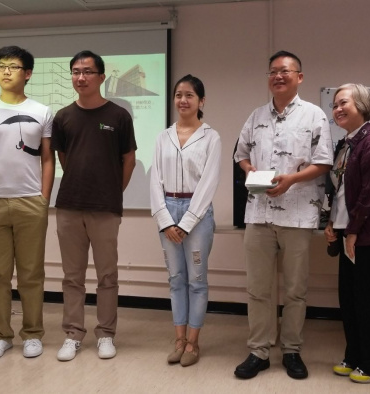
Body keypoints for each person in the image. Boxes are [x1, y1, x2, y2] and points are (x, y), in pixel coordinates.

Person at [233, 51, 333, 380]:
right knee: (258, 288)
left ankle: (291, 350)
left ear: (299, 77)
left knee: (295, 290)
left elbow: (323, 163)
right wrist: (252, 171)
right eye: (273, 71)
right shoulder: (257, 115)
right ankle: (258, 351)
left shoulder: (314, 115)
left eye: (285, 71)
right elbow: (241, 154)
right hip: (259, 214)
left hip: (298, 216)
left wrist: (291, 179)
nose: (278, 76)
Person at [0, 46, 54, 360]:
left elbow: (48, 159)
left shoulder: (42, 111)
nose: (6, 71)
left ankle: (32, 334)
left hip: (30, 202)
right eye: (1, 66)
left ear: (27, 73)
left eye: (13, 66)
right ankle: (0, 336)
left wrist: (43, 199)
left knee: (31, 273)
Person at [51, 50, 137, 361]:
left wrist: (113, 190)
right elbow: (64, 159)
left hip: (105, 208)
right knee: (72, 276)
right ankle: (73, 334)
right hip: (69, 206)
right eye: (75, 71)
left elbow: (129, 159)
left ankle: (106, 334)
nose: (81, 77)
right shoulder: (62, 117)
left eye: (87, 71)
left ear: (101, 77)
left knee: (107, 276)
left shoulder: (118, 116)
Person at [324, 83, 370, 383]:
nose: (337, 109)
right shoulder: (347, 143)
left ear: (363, 106)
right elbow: (339, 190)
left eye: (344, 103)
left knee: (367, 300)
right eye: (335, 105)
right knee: (349, 299)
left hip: (368, 236)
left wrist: (352, 231)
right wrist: (332, 223)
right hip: (348, 232)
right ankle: (354, 356)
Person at [150, 74, 221, 367]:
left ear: (201, 101)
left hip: (198, 213)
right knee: (176, 280)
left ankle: (193, 343)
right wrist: (166, 221)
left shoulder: (211, 137)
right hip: (168, 208)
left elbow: (209, 182)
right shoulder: (162, 136)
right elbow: (154, 180)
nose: (183, 100)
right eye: (179, 95)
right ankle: (178, 340)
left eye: (190, 95)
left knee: (197, 281)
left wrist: (186, 222)